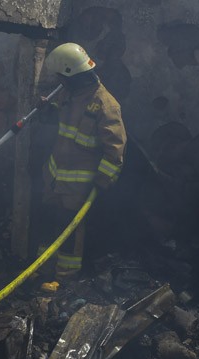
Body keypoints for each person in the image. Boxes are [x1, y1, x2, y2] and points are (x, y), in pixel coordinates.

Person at [34, 42, 127, 283]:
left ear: (71, 74)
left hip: (78, 184)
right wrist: (45, 109)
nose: (58, 81)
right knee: (47, 221)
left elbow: (115, 150)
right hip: (54, 176)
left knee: (69, 229)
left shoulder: (105, 105)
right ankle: (42, 268)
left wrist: (103, 180)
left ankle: (64, 278)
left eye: (60, 76)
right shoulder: (68, 93)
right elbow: (59, 115)